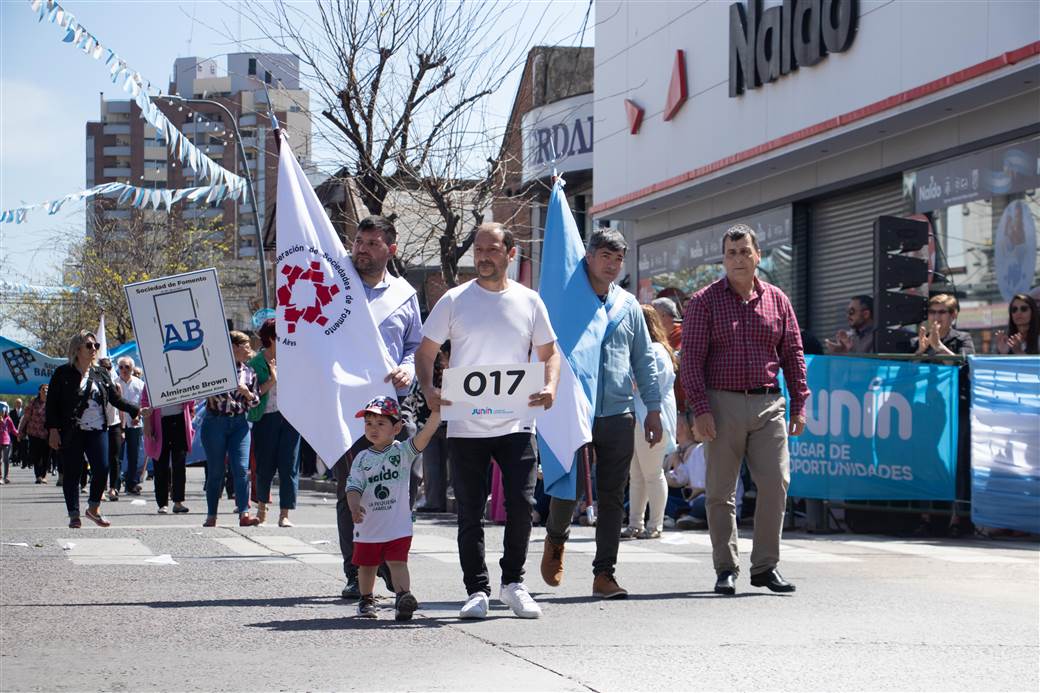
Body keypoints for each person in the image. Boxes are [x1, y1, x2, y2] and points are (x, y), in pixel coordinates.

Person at [416, 222, 560, 620]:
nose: (483, 256)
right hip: (466, 426)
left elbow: (550, 354)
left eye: (492, 249)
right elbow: (426, 351)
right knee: (469, 510)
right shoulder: (454, 300)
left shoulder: (530, 301)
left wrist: (549, 386)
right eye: (478, 249)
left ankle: (513, 583)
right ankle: (476, 590)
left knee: (521, 504)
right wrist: (429, 388)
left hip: (516, 424)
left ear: (510, 254)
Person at [680, 223, 809, 596]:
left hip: (770, 403)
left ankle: (766, 566)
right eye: (731, 253)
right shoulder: (704, 301)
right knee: (720, 491)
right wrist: (700, 409)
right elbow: (691, 362)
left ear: (758, 256)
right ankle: (726, 568)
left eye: (744, 251)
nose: (738, 258)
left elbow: (793, 354)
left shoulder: (777, 300)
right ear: (723, 259)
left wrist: (799, 403)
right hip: (721, 404)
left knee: (776, 483)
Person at [540, 228, 662, 600]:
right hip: (577, 407)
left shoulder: (628, 307)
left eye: (617, 258)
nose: (611, 265)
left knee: (612, 495)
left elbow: (644, 359)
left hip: (619, 412)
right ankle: (556, 539)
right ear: (588, 257)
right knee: (570, 484)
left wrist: (653, 409)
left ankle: (604, 573)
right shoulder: (567, 302)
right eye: (604, 256)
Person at [334, 215, 424, 601]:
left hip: (391, 407)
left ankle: (388, 562)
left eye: (372, 243)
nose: (362, 249)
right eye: (358, 241)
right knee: (351, 486)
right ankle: (356, 571)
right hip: (345, 407)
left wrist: (406, 369)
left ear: (391, 248)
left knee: (405, 481)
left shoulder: (404, 294)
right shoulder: (337, 287)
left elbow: (414, 346)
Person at [347, 396, 442, 620]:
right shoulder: (361, 459)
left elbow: (424, 437)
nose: (373, 429)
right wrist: (354, 506)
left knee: (398, 562)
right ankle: (366, 599)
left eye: (381, 424)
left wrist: (437, 414)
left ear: (397, 427)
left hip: (398, 526)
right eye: (369, 423)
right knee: (367, 566)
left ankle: (403, 597)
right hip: (368, 527)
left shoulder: (402, 452)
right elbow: (353, 487)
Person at [46, 331, 141, 528]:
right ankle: (74, 514)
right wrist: (53, 430)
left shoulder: (101, 373)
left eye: (96, 346)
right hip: (72, 429)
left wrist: (135, 410)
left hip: (97, 428)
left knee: (102, 467)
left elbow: (115, 399)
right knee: (72, 471)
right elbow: (52, 403)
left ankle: (93, 508)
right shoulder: (63, 373)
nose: (94, 349)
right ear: (77, 349)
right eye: (89, 346)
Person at [621, 305, 677, 541]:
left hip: (651, 420)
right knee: (637, 474)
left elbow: (649, 384)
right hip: (638, 419)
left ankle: (655, 525)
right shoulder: (646, 350)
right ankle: (636, 523)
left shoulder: (655, 351)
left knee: (653, 474)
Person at [200, 330, 262, 527]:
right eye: (245, 346)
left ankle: (244, 513)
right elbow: (200, 390)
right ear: (234, 347)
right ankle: (212, 515)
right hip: (215, 422)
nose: (249, 350)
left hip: (239, 424)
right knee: (216, 470)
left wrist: (248, 395)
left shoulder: (249, 372)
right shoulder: (213, 370)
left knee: (241, 468)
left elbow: (256, 401)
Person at [249, 318, 302, 527]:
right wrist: (272, 378)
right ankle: (262, 509)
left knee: (289, 465)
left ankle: (285, 514)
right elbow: (254, 395)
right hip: (266, 418)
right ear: (271, 338)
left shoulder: (293, 359)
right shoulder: (255, 363)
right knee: (265, 465)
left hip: (291, 418)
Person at [142, 387, 194, 514]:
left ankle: (178, 502)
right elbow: (145, 401)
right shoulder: (152, 373)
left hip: (180, 420)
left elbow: (192, 396)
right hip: (160, 421)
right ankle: (162, 503)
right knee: (160, 464)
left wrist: (191, 413)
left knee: (180, 464)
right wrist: (147, 423)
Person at [115, 357, 145, 494]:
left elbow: (143, 403)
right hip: (117, 424)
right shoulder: (114, 383)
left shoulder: (139, 384)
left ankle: (131, 484)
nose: (124, 370)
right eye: (121, 367)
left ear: (132, 368)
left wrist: (137, 416)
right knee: (117, 456)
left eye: (126, 367)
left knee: (133, 456)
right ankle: (114, 486)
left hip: (135, 424)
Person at [909, 294, 975, 356]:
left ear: (953, 315)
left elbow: (965, 365)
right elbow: (907, 367)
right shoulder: (916, 342)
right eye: (932, 312)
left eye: (942, 312)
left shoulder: (962, 339)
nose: (936, 317)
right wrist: (920, 351)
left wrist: (939, 347)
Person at [99, 357, 124, 501]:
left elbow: (121, 407)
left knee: (114, 458)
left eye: (108, 369)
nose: (106, 371)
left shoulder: (116, 386)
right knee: (101, 460)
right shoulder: (95, 385)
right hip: (100, 425)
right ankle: (100, 489)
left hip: (114, 424)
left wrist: (123, 428)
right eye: (103, 369)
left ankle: (113, 488)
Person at [18, 385, 50, 484]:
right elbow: (26, 417)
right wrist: (21, 430)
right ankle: (38, 476)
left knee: (46, 455)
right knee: (36, 455)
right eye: (43, 389)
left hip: (47, 433)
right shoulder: (33, 402)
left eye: (47, 389)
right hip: (34, 433)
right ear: (39, 391)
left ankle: (44, 475)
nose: (45, 391)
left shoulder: (51, 402)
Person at [0, 403, 17, 484]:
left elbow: (13, 429)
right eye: (1, 411)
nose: (2, 412)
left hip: (6, 441)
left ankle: (6, 477)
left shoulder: (8, 419)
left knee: (6, 460)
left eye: (3, 411)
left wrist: (19, 434)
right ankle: (0, 477)